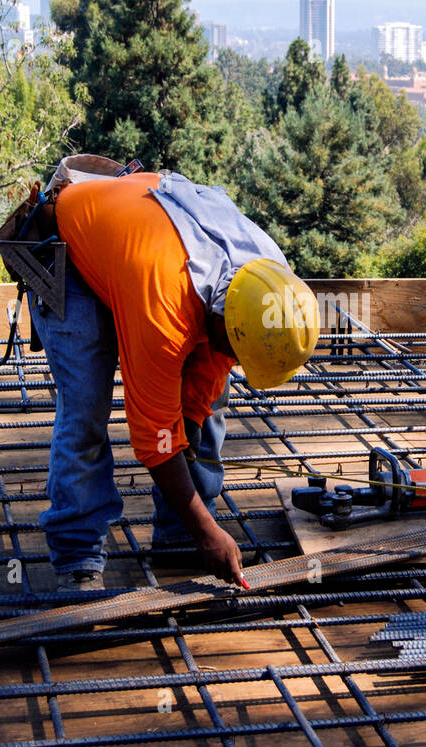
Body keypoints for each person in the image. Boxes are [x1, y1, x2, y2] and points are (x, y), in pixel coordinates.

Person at [26, 157, 319, 593]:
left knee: (206, 410)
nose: (234, 361)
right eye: (235, 352)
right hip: (67, 249)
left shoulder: (270, 284)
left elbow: (198, 394)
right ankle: (77, 556)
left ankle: (180, 537)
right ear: (222, 320)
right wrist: (206, 528)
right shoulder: (165, 311)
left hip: (144, 241)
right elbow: (156, 439)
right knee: (85, 410)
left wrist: (192, 428)